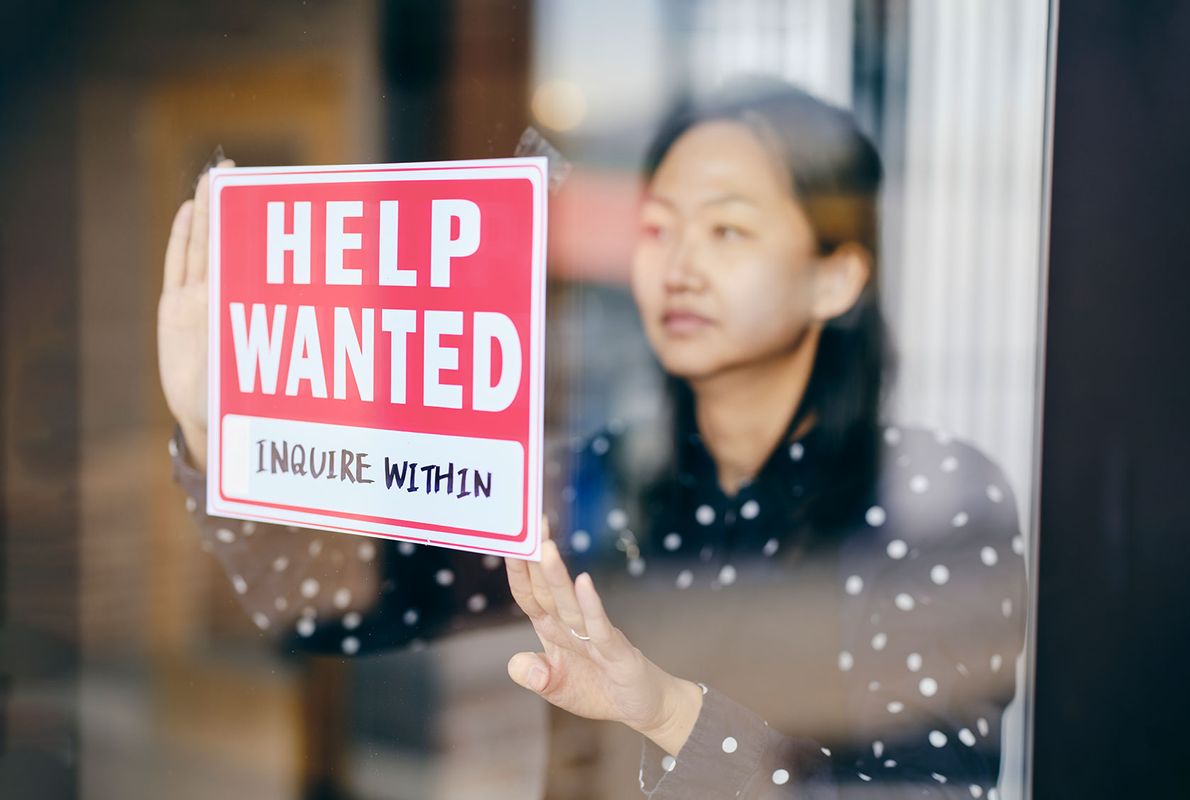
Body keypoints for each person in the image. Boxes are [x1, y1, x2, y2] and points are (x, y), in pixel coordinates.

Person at [159, 78, 1026, 798]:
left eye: (727, 229)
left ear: (835, 278)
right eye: (657, 228)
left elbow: (925, 791)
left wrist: (670, 713)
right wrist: (214, 427)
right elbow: (345, 623)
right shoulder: (602, 473)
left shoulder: (935, 500)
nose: (676, 264)